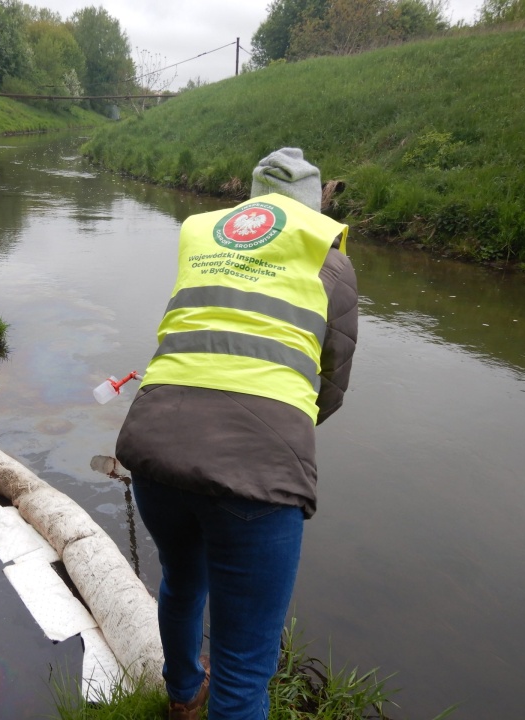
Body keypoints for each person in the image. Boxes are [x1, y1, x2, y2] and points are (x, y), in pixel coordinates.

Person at [115, 148, 358, 720]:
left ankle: (182, 696)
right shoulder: (328, 257)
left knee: (181, 578)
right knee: (245, 669)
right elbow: (334, 381)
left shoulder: (205, 239)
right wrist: (280, 422)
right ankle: (206, 697)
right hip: (259, 471)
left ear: (251, 199)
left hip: (154, 447)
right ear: (316, 202)